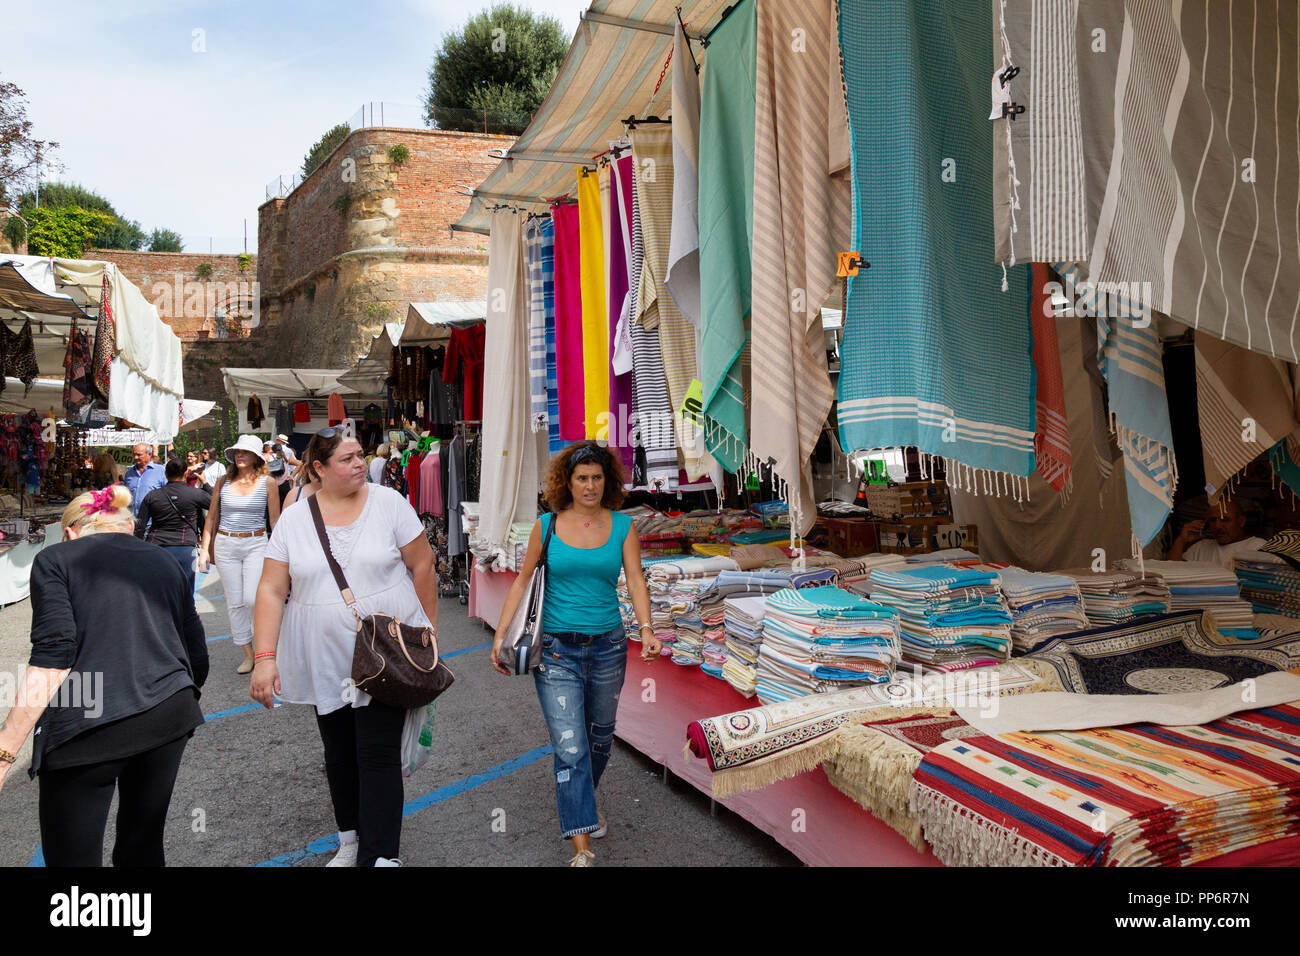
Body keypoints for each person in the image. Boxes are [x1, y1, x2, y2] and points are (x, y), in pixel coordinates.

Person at [249, 428, 439, 867]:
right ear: (318, 467)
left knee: (376, 751)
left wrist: (428, 629)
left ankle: (381, 855)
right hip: (324, 654)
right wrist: (264, 659)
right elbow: (272, 590)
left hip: (384, 651)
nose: (359, 464)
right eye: (347, 458)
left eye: (360, 456)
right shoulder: (296, 519)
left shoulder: (389, 502)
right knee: (338, 751)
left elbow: (422, 562)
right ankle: (350, 837)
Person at [0, 485, 207, 866]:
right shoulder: (162, 559)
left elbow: (52, 659)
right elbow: (196, 652)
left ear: (71, 532)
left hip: (89, 726)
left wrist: (4, 752)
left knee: (73, 857)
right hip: (167, 714)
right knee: (142, 847)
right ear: (126, 526)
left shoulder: (56, 559)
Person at [490, 441, 660, 867]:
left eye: (597, 477)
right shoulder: (546, 525)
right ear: (567, 482)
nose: (590, 485)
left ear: (608, 481)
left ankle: (580, 800)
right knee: (570, 746)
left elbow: (636, 580)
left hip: (608, 647)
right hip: (556, 651)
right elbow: (521, 580)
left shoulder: (623, 526)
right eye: (582, 477)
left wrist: (647, 629)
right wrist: (502, 636)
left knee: (600, 738)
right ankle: (581, 846)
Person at [199, 435, 281, 674]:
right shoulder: (223, 481)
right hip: (226, 544)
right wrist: (205, 549)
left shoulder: (268, 483)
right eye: (237, 451)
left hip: (257, 542)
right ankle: (249, 654)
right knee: (235, 603)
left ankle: (265, 648)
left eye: (244, 451)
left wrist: (283, 554)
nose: (239, 455)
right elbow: (211, 517)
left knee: (253, 599)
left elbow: (275, 521)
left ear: (256, 456)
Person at [136, 458, 212, 595]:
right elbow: (218, 503)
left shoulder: (152, 496)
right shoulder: (195, 494)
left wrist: (137, 550)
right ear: (185, 474)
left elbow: (140, 526)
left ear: (165, 474)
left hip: (157, 546)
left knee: (158, 592)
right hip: (185, 547)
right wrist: (205, 483)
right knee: (185, 593)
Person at [1168, 498, 1267, 568]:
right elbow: (1171, 570)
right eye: (1213, 520)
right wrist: (1181, 541)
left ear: (1241, 521)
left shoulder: (1257, 546)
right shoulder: (1201, 546)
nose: (1217, 526)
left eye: (1225, 520)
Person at [123, 443, 167, 517]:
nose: (135, 457)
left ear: (149, 454)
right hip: (132, 520)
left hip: (152, 522)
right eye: (134, 454)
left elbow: (168, 494)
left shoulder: (161, 471)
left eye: (139, 455)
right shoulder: (129, 473)